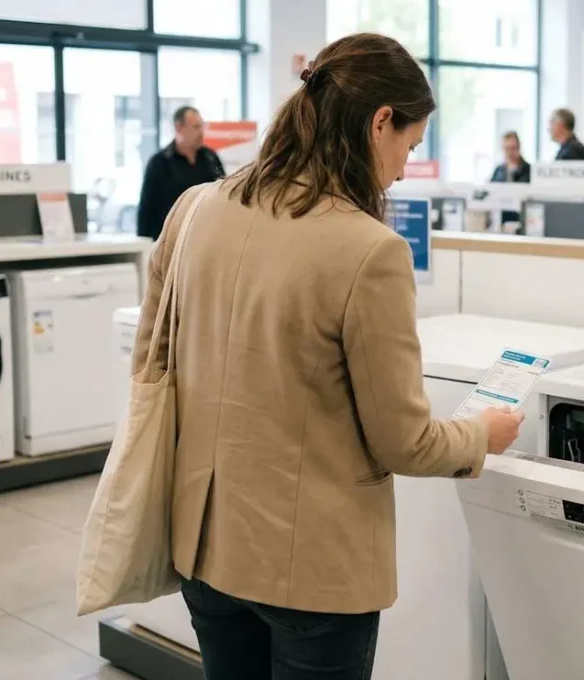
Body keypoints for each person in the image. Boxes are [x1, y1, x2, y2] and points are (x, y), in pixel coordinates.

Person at [134, 32, 524, 680]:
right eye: (410, 143)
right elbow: (404, 442)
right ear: (380, 123)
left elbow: (151, 362)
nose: (403, 167)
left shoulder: (196, 209)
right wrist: (480, 436)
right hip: (310, 573)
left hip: (202, 547)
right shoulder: (368, 250)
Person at [136, 106, 226, 240]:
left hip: (205, 238)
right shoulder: (159, 162)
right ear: (179, 127)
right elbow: (146, 208)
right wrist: (144, 245)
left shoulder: (210, 158)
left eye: (202, 126)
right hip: (171, 240)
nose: (201, 132)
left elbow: (223, 195)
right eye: (196, 127)